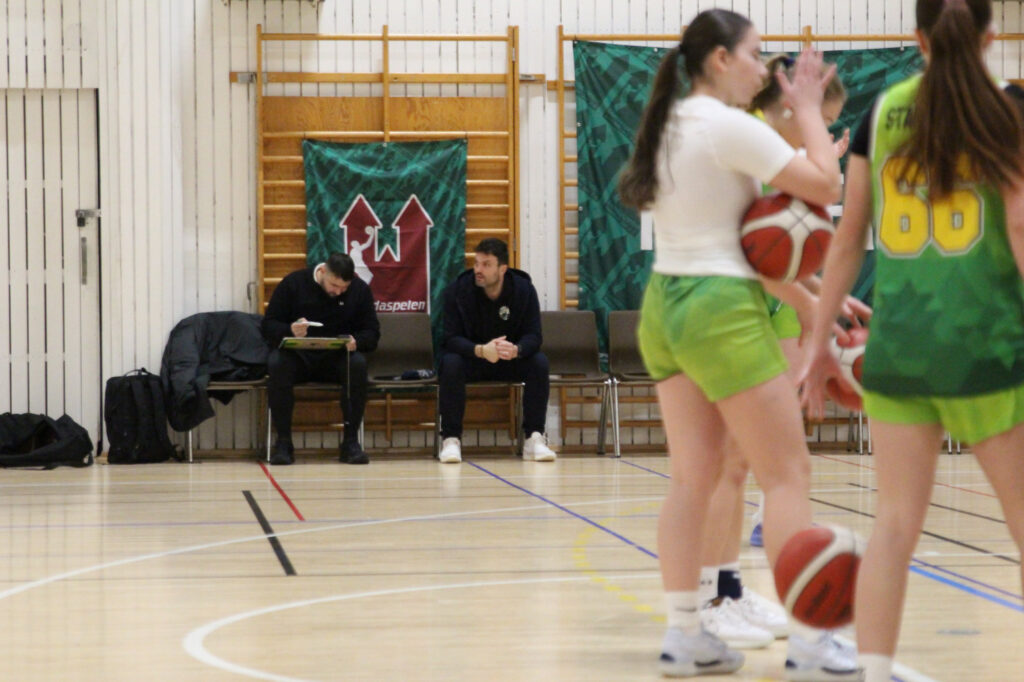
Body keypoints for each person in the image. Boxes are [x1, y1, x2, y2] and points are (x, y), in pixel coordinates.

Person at [798, 2, 1024, 680]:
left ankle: (874, 671)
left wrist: (817, 346)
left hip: (899, 350)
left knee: (894, 527)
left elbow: (847, 240)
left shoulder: (883, 111)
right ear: (990, 36)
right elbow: (1018, 228)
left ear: (918, 38)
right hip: (986, 348)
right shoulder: (1008, 108)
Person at [617, 8, 846, 677]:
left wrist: (809, 300)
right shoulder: (726, 124)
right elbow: (826, 184)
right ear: (720, 59)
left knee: (691, 480)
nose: (761, 68)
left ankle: (685, 634)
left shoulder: (670, 122)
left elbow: (738, 242)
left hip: (665, 307)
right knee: (787, 473)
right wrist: (809, 110)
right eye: (754, 54)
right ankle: (810, 643)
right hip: (718, 308)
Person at [692, 57, 867, 681]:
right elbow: (760, 256)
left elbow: (781, 251)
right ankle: (720, 602)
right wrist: (816, 302)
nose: (824, 135)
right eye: (821, 120)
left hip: (758, 305)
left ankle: (726, 590)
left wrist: (824, 295)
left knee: (744, 463)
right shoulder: (751, 147)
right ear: (793, 107)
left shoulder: (764, 150)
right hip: (733, 307)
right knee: (748, 464)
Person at [437, 238, 555, 464]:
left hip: (508, 359)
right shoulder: (458, 291)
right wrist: (480, 350)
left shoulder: (524, 290)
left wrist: (517, 349)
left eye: (486, 264)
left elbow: (534, 335)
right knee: (450, 363)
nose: (478, 270)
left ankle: (534, 437)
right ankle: (451, 439)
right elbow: (450, 338)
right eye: (476, 263)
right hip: (474, 359)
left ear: (502, 269)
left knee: (539, 362)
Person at [261, 252, 380, 465]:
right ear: (323, 271)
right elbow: (268, 325)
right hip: (298, 357)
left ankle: (350, 443)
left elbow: (372, 333)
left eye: (344, 288)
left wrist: (357, 341)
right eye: (334, 285)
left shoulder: (359, 290)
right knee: (277, 363)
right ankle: (284, 442)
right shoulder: (293, 283)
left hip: (336, 358)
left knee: (357, 365)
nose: (338, 292)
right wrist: (290, 330)